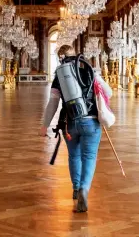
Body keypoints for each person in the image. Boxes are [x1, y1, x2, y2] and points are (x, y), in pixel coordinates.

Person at [40, 45, 112, 213]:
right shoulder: (89, 71)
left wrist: (44, 125)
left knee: (74, 156)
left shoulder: (59, 76)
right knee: (89, 156)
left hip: (69, 123)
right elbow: (108, 92)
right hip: (91, 122)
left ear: (60, 58)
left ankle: (75, 188)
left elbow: (53, 103)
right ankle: (84, 189)